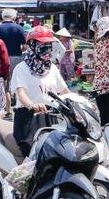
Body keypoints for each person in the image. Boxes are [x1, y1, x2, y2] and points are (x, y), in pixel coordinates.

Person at [10, 26, 70, 158]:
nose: (47, 48)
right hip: (29, 118)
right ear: (32, 44)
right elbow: (21, 93)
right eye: (43, 44)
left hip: (53, 117)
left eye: (49, 44)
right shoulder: (21, 68)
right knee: (35, 156)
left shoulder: (52, 68)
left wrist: (81, 103)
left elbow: (65, 91)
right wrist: (32, 105)